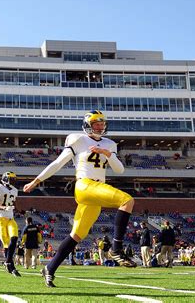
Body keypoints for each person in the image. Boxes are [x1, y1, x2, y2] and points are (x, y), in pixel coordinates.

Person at [23, 110, 136, 288]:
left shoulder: (110, 144)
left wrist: (107, 153)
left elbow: (120, 170)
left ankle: (49, 268)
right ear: (87, 125)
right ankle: (116, 248)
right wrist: (36, 181)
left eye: (102, 124)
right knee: (127, 200)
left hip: (95, 194)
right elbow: (58, 163)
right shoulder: (78, 139)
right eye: (96, 124)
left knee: (76, 235)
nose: (100, 127)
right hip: (84, 186)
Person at [0, 172, 21, 277]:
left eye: (14, 179)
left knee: (14, 238)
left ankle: (8, 262)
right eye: (11, 179)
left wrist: (19, 211)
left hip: (10, 218)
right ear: (5, 179)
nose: (13, 181)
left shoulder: (14, 190)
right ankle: (10, 265)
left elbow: (14, 203)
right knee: (6, 242)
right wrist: (4, 208)